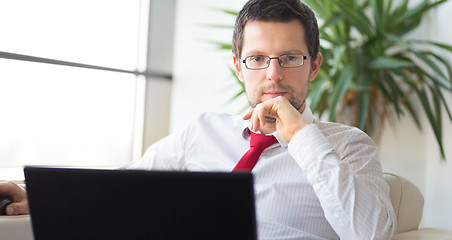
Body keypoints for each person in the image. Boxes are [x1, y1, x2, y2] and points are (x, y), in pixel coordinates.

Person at [1, 0, 397, 239]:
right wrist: (34, 195)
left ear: (314, 67)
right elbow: (124, 186)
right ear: (239, 68)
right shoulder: (202, 132)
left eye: (290, 58)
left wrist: (302, 136)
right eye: (257, 59)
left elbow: (371, 233)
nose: (273, 74)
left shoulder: (349, 145)